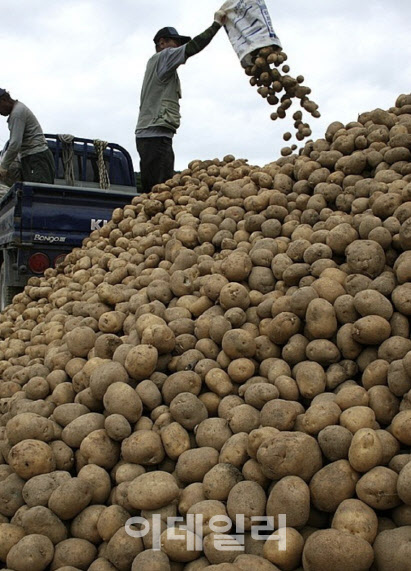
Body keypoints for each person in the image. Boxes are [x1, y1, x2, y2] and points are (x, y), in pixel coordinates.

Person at [135, 9, 227, 193]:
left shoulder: (160, 66)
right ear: (162, 43)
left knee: (155, 191)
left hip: (152, 137)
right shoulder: (164, 57)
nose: (178, 47)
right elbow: (194, 47)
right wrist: (217, 24)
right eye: (174, 42)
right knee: (159, 193)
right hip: (155, 137)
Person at [0, 88, 55, 184]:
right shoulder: (18, 109)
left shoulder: (17, 114)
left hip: (36, 158)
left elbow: (15, 144)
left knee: (38, 194)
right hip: (32, 157)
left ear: (4, 100)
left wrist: (3, 167)